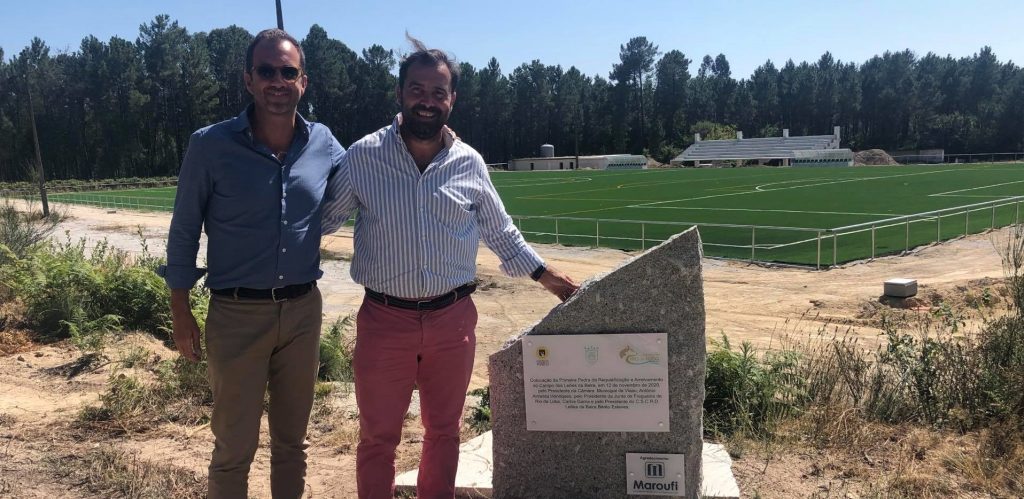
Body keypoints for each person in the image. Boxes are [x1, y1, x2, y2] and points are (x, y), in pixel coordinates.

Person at [320, 36, 579, 499]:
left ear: (452, 99)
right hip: (384, 320)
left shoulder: (469, 163)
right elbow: (320, 221)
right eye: (417, 89)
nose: (427, 100)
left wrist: (548, 277)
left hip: (452, 320)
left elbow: (501, 231)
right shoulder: (363, 157)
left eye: (438, 92)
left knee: (444, 432)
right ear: (399, 94)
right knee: (378, 437)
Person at [161, 28, 344, 499]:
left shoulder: (323, 143)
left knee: (293, 444)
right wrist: (180, 310)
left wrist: (434, 137)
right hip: (236, 315)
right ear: (248, 79)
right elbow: (184, 231)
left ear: (304, 81)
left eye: (288, 71)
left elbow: (373, 169)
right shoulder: (210, 145)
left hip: (302, 312)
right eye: (266, 71)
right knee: (233, 447)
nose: (277, 81)